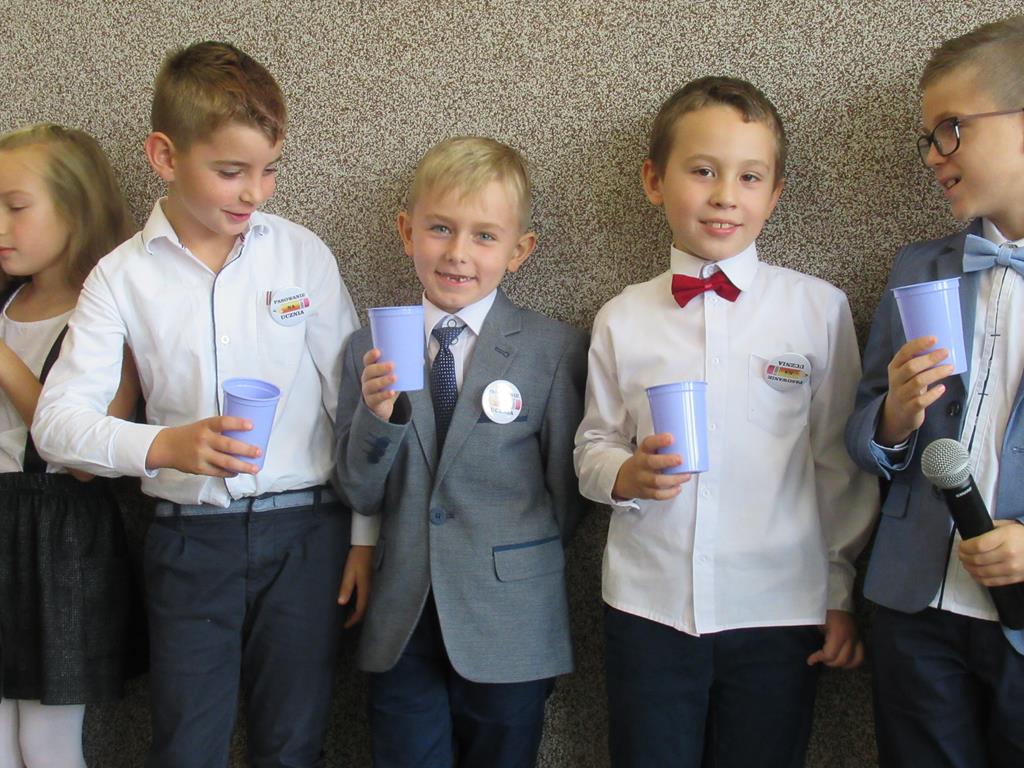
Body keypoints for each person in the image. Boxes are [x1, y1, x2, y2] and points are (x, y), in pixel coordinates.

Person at [31, 42, 372, 768]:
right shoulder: (120, 277)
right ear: (164, 156)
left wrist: (366, 537)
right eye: (230, 171)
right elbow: (57, 424)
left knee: (295, 744)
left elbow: (352, 410)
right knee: (187, 747)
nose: (256, 193)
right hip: (188, 542)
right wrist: (164, 446)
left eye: (269, 169)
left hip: (309, 534)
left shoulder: (301, 254)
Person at [574, 77, 877, 767]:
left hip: (781, 606)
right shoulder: (622, 317)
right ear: (654, 181)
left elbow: (839, 465)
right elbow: (592, 443)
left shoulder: (818, 310)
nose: (724, 196)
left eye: (749, 176)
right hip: (649, 605)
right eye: (702, 171)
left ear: (774, 194)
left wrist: (838, 591)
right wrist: (624, 473)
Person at [333, 136, 588, 768]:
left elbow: (567, 495)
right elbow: (357, 490)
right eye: (440, 228)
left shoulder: (552, 350)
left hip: (510, 618)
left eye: (484, 236)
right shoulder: (367, 347)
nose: (457, 253)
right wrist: (377, 416)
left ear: (519, 250)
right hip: (404, 616)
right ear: (407, 231)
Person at [845, 15, 1024, 767]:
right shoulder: (917, 268)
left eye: (951, 128)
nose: (931, 155)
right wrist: (892, 415)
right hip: (913, 604)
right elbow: (862, 435)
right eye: (929, 136)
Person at [0, 123, 138, 768]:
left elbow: (87, 462)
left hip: (57, 537)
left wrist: (5, 363)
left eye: (16, 207)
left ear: (75, 210)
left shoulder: (102, 314)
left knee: (46, 742)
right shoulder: (6, 302)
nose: (0, 225)